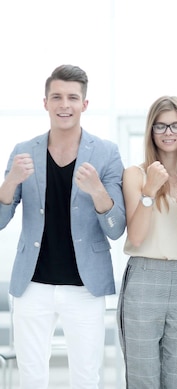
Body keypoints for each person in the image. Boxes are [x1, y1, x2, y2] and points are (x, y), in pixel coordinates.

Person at [0, 64, 126, 388]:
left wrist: (98, 190)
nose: (64, 104)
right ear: (45, 102)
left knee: (85, 377)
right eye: (56, 96)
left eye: (72, 97)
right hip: (32, 285)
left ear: (85, 104)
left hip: (85, 287)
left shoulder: (107, 153)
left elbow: (116, 227)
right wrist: (11, 181)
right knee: (31, 376)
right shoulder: (23, 152)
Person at [118, 96, 177, 388]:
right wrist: (150, 190)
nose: (169, 132)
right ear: (151, 131)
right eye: (161, 126)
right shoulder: (135, 174)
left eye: (176, 126)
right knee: (143, 379)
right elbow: (136, 236)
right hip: (144, 277)